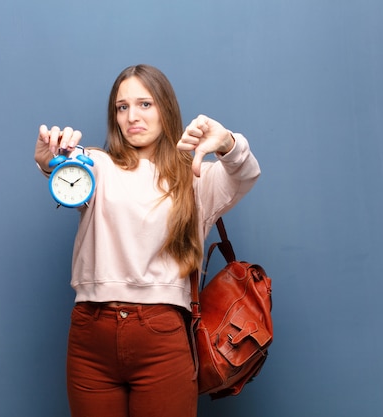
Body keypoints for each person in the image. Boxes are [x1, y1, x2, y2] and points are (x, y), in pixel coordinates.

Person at [33, 64, 260, 417]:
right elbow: (66, 174)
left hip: (162, 337)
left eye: (144, 104)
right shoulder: (96, 164)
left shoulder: (195, 175)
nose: (131, 116)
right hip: (90, 335)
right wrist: (50, 161)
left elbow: (246, 174)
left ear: (165, 109)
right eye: (122, 107)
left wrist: (228, 142)